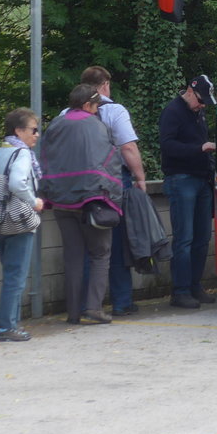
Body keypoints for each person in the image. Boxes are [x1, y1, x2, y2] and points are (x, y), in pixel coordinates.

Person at [38, 83, 123, 326]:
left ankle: (73, 313)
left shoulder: (55, 124)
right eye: (96, 106)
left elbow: (45, 158)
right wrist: (113, 196)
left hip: (61, 200)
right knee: (100, 254)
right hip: (92, 201)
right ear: (87, 105)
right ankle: (94, 308)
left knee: (73, 257)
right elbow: (110, 161)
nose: (97, 110)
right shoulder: (96, 127)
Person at [80, 66, 146, 317]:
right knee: (117, 244)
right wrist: (140, 178)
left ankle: (87, 303)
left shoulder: (68, 113)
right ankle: (122, 301)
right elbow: (128, 148)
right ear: (105, 85)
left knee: (86, 247)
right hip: (113, 184)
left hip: (79, 187)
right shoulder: (115, 111)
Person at [0, 108, 44, 342]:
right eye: (33, 130)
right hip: (19, 223)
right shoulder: (22, 154)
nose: (36, 135)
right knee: (16, 277)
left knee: (10, 275)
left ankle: (10, 324)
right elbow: (17, 182)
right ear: (19, 131)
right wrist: (33, 201)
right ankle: (6, 327)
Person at [159, 75, 217, 309]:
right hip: (181, 178)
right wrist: (199, 148)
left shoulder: (197, 112)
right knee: (184, 238)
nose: (202, 106)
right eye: (201, 101)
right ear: (190, 92)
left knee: (202, 237)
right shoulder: (173, 112)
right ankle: (180, 290)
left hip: (201, 178)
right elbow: (167, 145)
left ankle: (194, 286)